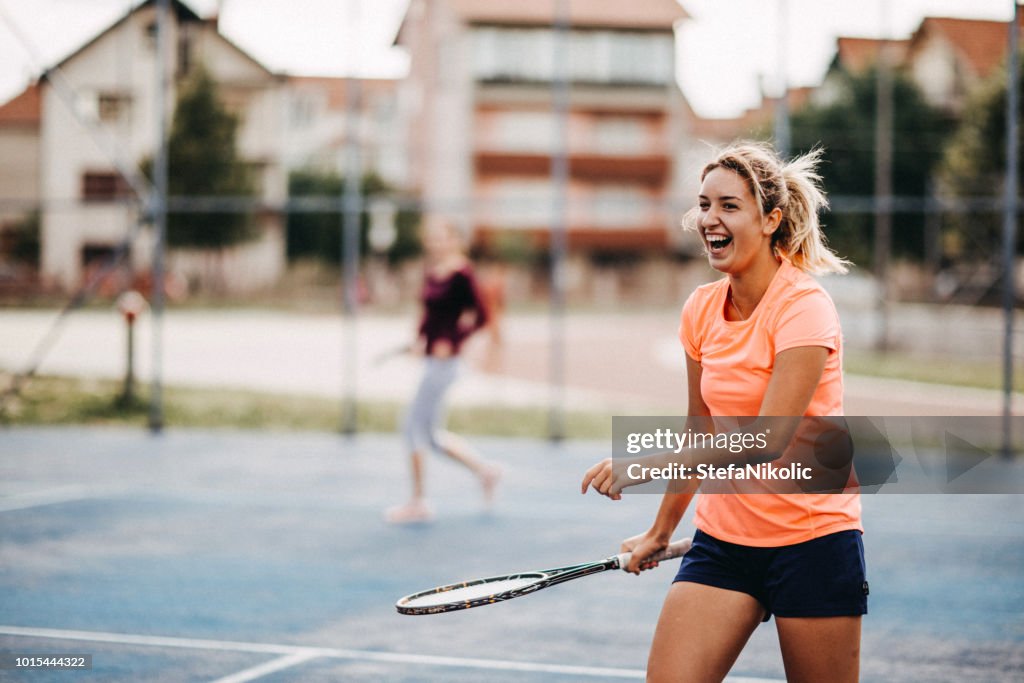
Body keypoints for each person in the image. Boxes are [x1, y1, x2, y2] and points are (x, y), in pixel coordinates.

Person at [581, 141, 866, 682]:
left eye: (729, 205)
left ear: (770, 220)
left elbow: (767, 440)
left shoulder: (804, 307)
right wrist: (660, 530)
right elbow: (701, 429)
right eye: (705, 204)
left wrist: (640, 465)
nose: (710, 218)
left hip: (814, 543)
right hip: (724, 545)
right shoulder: (701, 308)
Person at [385, 216, 501, 524]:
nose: (435, 243)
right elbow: (428, 314)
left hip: (446, 364)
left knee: (412, 427)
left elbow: (482, 316)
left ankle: (418, 501)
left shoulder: (463, 273)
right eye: (432, 238)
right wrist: (418, 341)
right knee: (431, 436)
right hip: (431, 360)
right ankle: (486, 471)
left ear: (455, 240)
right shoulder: (433, 271)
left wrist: (453, 342)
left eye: (442, 237)